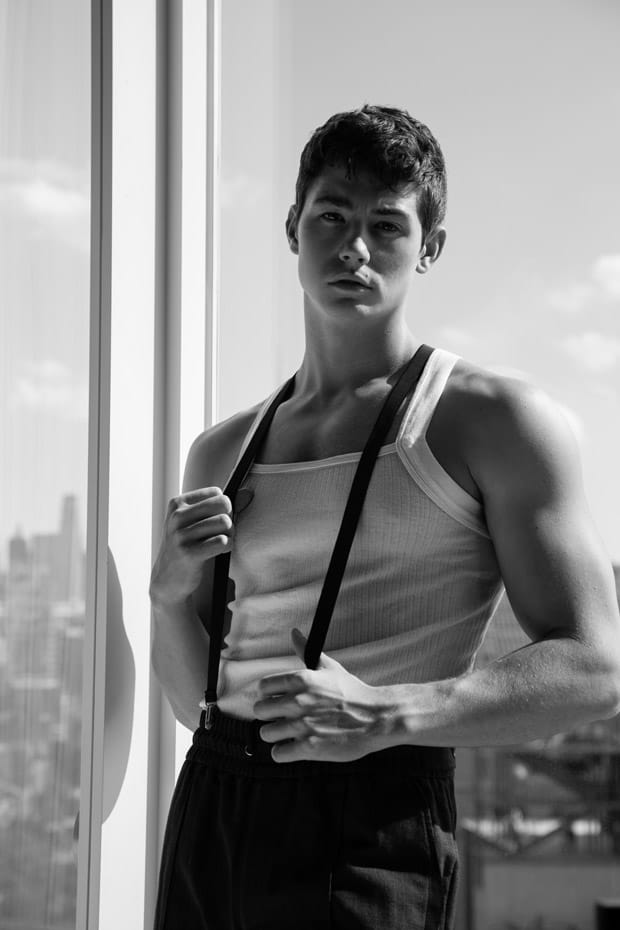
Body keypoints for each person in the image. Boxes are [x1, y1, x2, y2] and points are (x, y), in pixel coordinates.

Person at [149, 105, 620, 930]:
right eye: (331, 216)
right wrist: (166, 599)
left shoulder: (493, 421)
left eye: (387, 225)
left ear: (430, 247)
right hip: (211, 808)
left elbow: (595, 668)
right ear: (293, 227)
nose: (354, 248)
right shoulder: (222, 450)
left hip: (370, 816)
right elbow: (200, 707)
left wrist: (386, 714)